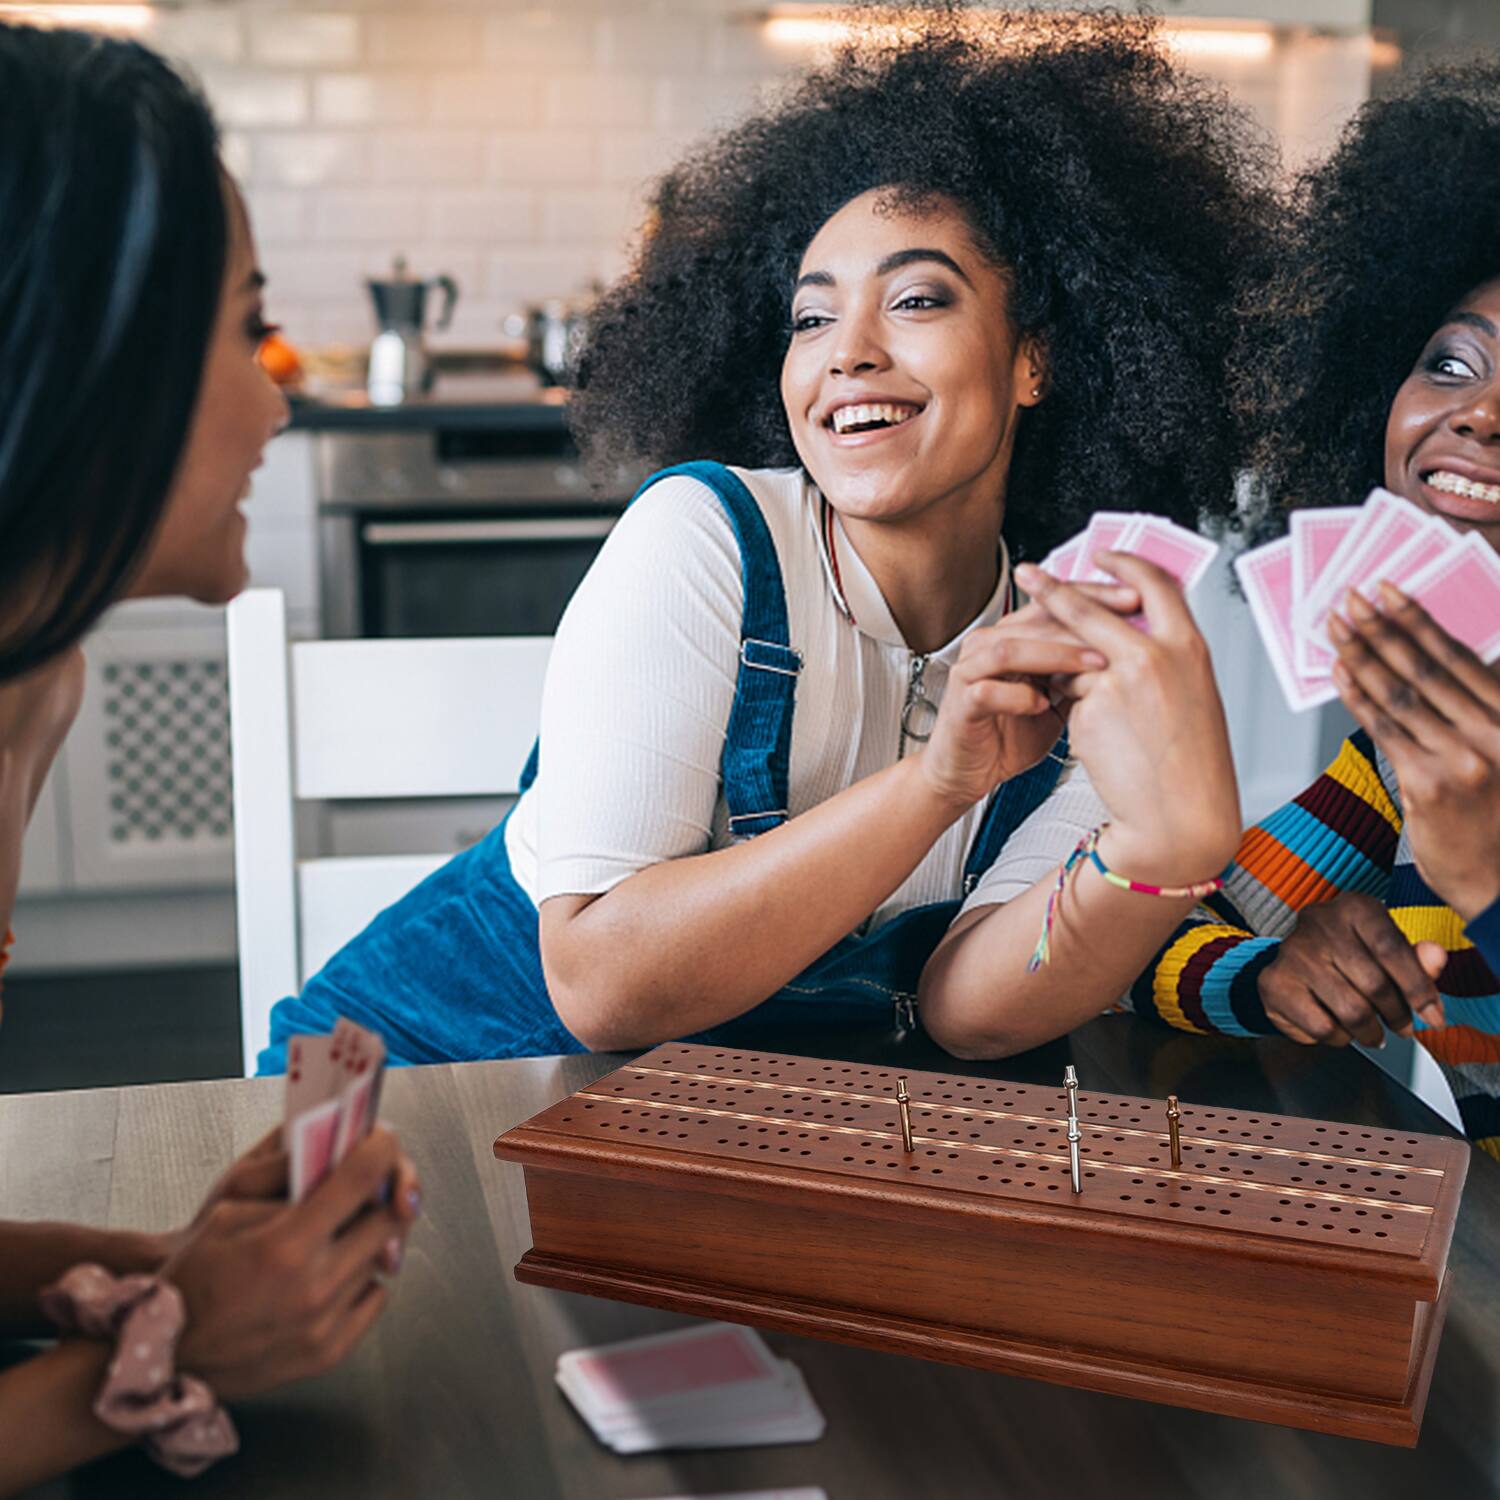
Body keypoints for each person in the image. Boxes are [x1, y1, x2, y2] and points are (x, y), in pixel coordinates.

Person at [259, 13, 1267, 1074]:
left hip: (697, 1132)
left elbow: (968, 1008)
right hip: (426, 1101)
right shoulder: (705, 538)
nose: (850, 355)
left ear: (1036, 362)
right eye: (811, 319)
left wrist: (1166, 848)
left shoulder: (1072, 635)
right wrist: (938, 780)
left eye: (917, 299)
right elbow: (601, 987)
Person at [0, 26, 419, 1491]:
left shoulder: (29, 685)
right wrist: (148, 1366)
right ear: (87, 365)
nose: (277, 400)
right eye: (245, 333)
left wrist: (163, 1267)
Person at [1110, 62, 1500, 1161]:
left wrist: (1484, 878)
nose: (1477, 416)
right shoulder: (1401, 754)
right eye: (1450, 364)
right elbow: (1151, 942)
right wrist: (1271, 972)